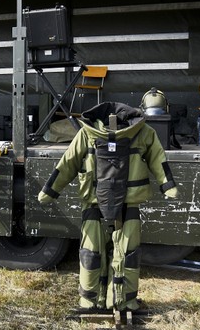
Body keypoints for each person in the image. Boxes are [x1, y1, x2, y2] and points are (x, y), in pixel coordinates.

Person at [37, 102, 179, 312]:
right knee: (108, 252)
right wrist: (50, 190)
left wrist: (168, 185)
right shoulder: (95, 134)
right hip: (104, 202)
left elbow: (158, 159)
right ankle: (111, 301)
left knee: (105, 252)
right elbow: (69, 163)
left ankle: (106, 300)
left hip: (117, 201)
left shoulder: (141, 133)